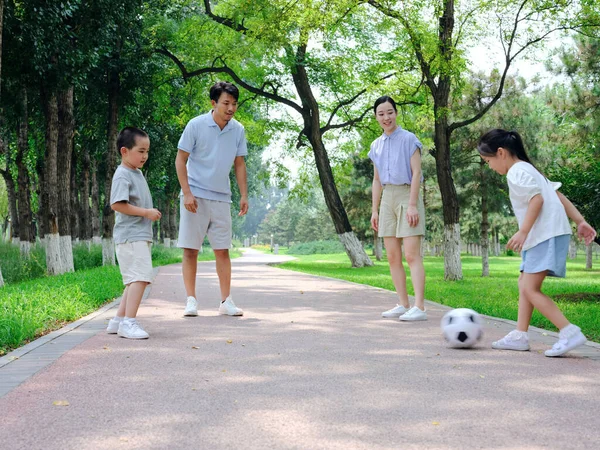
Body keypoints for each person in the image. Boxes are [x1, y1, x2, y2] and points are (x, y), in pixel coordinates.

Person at [478, 129, 597, 357]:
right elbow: (558, 196)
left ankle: (569, 331)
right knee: (525, 282)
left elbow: (538, 199)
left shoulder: (516, 172)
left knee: (529, 288)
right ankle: (520, 335)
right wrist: (580, 221)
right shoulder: (530, 170)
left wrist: (523, 231)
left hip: (543, 234)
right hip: (546, 234)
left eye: (488, 161)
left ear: (500, 153)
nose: (491, 167)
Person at [175, 81, 249, 317]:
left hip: (221, 197)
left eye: (234, 104)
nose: (231, 108)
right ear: (213, 103)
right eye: (226, 103)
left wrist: (243, 195)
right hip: (195, 195)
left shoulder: (238, 129)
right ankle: (191, 300)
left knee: (222, 250)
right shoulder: (196, 125)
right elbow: (180, 159)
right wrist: (186, 192)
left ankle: (226, 301)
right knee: (190, 250)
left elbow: (239, 163)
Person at [369, 96, 427, 321]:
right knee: (393, 256)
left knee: (412, 255)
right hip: (387, 198)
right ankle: (403, 304)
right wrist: (375, 210)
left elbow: (417, 174)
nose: (386, 117)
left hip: (407, 194)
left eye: (390, 112)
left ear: (396, 113)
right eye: (381, 114)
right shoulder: (376, 145)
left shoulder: (409, 139)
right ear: (376, 117)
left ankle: (420, 307)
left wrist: (412, 205)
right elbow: (376, 180)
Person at [106, 127, 162, 339]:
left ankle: (118, 320)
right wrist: (146, 213)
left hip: (137, 235)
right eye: (140, 151)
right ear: (124, 151)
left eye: (147, 151)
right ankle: (129, 323)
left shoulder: (135, 173)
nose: (145, 156)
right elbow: (117, 205)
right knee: (141, 277)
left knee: (134, 279)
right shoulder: (122, 175)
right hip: (131, 235)